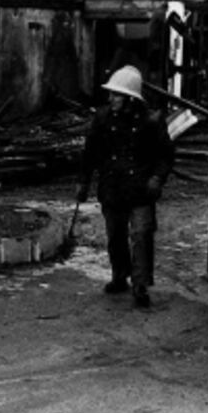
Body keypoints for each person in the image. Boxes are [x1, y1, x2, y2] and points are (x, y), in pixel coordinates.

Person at [76, 65, 175, 308]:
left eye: (116, 95)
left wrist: (157, 178)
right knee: (116, 235)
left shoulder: (151, 121)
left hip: (141, 189)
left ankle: (140, 284)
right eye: (111, 94)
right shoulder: (103, 119)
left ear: (130, 98)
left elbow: (165, 155)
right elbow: (90, 152)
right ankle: (120, 275)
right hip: (112, 187)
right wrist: (83, 181)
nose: (111, 99)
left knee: (141, 234)